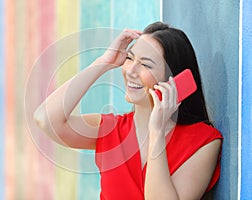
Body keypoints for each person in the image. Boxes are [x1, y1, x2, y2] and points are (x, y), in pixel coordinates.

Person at [34, 21, 223, 200]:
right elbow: (46, 119)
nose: (131, 71)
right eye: (130, 58)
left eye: (146, 64)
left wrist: (156, 131)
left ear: (172, 80)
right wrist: (103, 62)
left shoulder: (203, 142)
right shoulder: (111, 130)